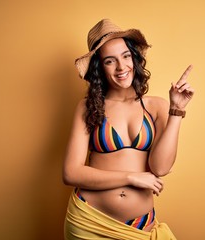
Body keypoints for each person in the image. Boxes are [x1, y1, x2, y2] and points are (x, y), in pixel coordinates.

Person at [62, 19, 194, 240]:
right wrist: (131, 177)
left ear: (134, 57)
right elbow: (71, 173)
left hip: (139, 226)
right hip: (89, 221)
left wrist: (176, 110)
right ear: (99, 68)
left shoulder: (157, 106)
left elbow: (160, 168)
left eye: (125, 56)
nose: (121, 67)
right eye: (110, 61)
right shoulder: (88, 107)